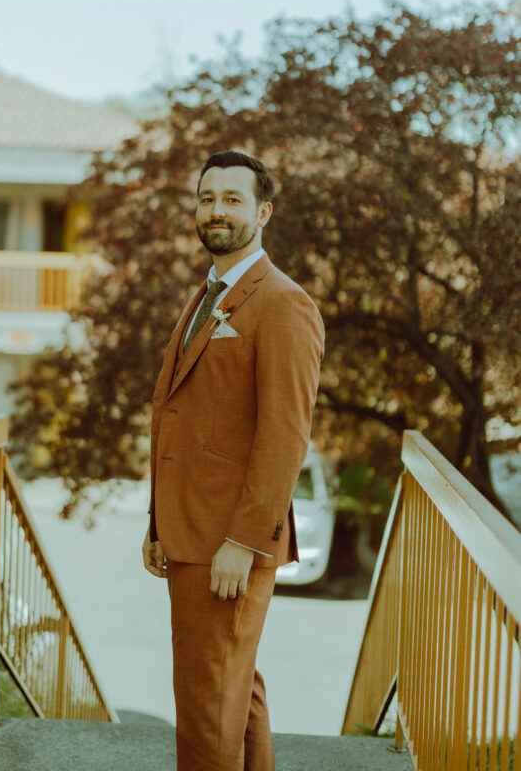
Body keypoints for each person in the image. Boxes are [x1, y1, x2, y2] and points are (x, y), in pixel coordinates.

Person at [142, 150, 324, 771]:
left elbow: (285, 435)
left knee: (205, 707)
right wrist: (157, 524)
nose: (216, 210)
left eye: (232, 199)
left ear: (263, 212)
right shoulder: (207, 295)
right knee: (232, 691)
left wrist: (243, 542)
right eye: (206, 198)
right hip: (189, 530)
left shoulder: (282, 304)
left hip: (227, 541)